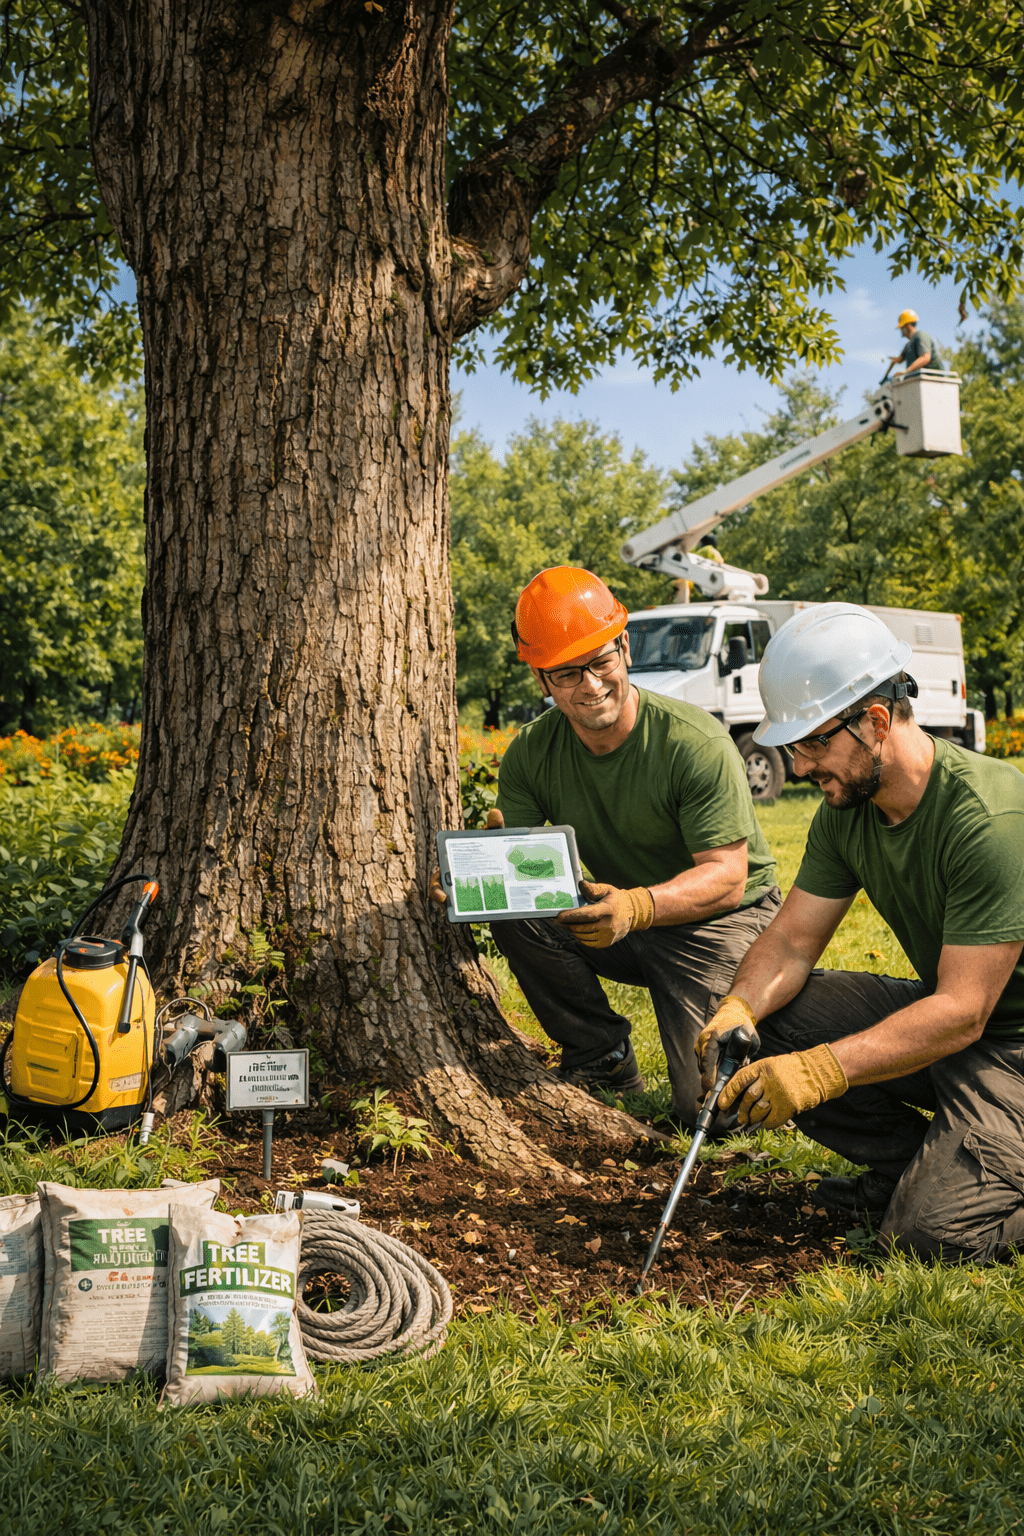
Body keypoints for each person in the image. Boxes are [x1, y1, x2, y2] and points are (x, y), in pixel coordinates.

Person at [697, 603, 1024, 1262]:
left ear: (876, 721)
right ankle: (914, 1170)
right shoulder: (847, 808)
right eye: (794, 745)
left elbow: (963, 1013)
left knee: (930, 1237)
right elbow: (791, 941)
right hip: (955, 1020)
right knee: (772, 1022)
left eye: (815, 742)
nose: (800, 763)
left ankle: (959, 1186)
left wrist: (823, 1071)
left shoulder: (990, 819)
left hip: (1009, 1044)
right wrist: (740, 1007)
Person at [433, 565, 781, 1127]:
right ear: (542, 681)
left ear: (625, 648)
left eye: (601, 662)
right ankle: (602, 1055)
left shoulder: (694, 743)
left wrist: (637, 907)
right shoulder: (531, 754)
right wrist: (471, 878)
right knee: (520, 915)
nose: (592, 686)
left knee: (711, 1115)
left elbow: (727, 877)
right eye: (568, 673)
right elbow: (517, 863)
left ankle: (769, 1024)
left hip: (724, 921)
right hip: (620, 914)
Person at [890, 309, 942, 378]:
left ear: (908, 326)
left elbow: (925, 357)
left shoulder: (921, 335)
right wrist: (892, 361)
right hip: (917, 380)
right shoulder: (908, 344)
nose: (901, 330)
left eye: (902, 327)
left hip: (932, 380)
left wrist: (906, 371)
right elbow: (899, 359)